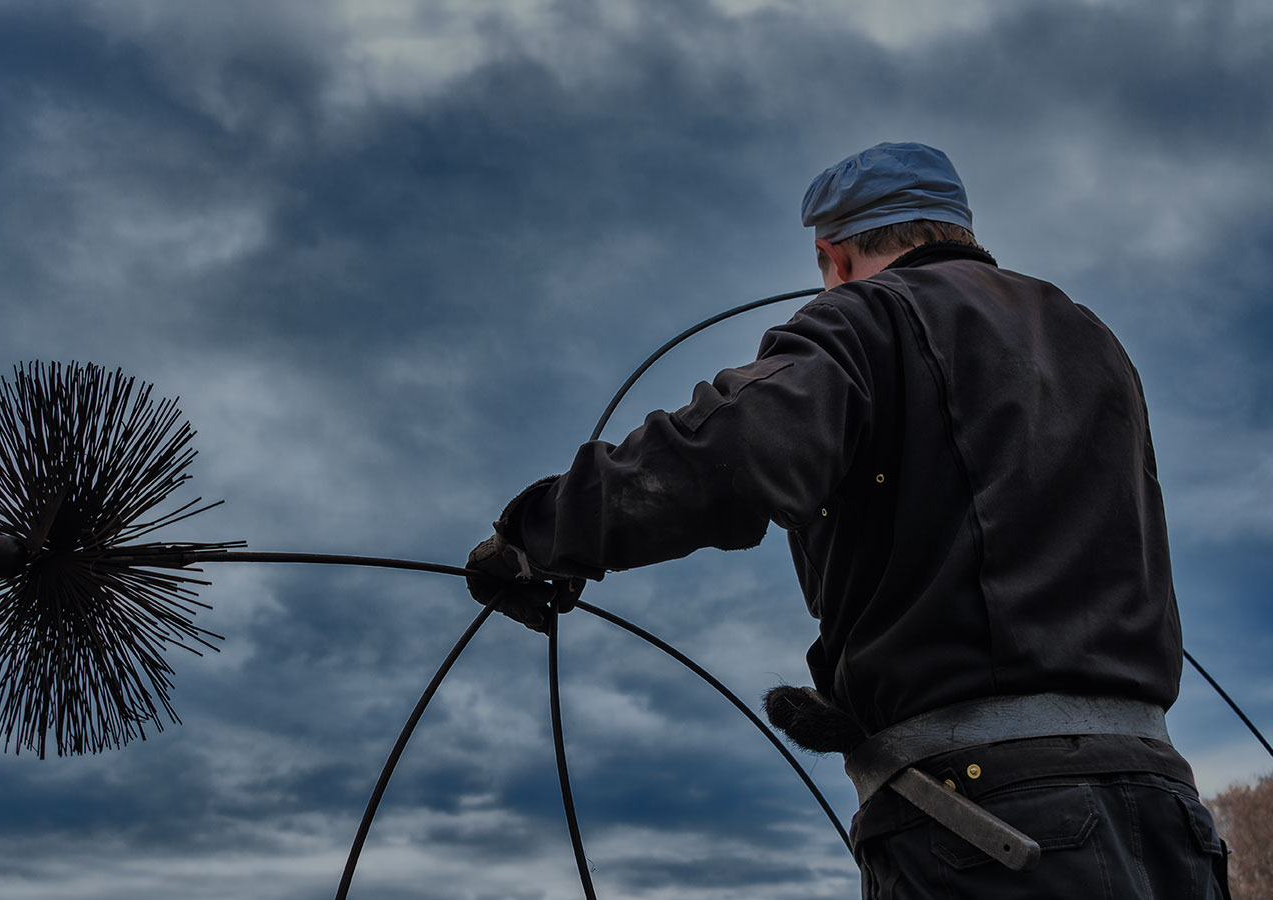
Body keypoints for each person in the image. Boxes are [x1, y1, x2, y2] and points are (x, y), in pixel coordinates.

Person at [465, 142, 1230, 898]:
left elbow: (734, 448)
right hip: (1169, 822)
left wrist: (536, 536)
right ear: (957, 227)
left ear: (832, 255)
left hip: (994, 829)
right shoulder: (1094, 341)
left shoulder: (865, 318)